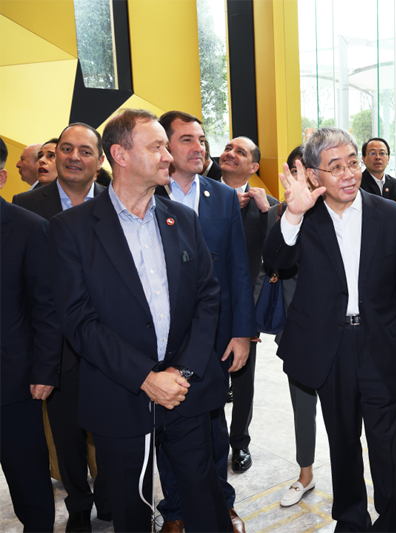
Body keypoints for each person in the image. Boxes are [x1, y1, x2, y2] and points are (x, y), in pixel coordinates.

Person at [48, 108, 232, 533]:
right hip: (119, 395)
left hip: (186, 390)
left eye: (167, 147)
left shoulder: (182, 219)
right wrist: (146, 377)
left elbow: (208, 298)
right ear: (121, 155)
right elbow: (79, 321)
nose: (168, 155)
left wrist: (181, 372)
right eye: (157, 147)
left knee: (205, 500)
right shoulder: (71, 229)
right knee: (131, 511)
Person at [263, 127, 396, 532]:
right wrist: (293, 214)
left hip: (382, 344)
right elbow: (276, 260)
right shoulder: (303, 215)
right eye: (335, 167)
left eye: (352, 162)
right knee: (343, 440)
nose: (349, 173)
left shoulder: (391, 215)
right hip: (329, 348)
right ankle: (351, 520)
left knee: (388, 442)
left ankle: (391, 522)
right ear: (313, 175)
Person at [155, 110, 254, 533]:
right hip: (164, 335)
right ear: (164, 146)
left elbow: (238, 268)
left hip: (215, 333)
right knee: (168, 421)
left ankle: (220, 501)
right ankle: (175, 509)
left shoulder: (223, 196)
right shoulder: (147, 194)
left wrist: (243, 332)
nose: (199, 148)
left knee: (213, 423)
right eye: (187, 140)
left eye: (201, 139)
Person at [13, 124, 112, 532]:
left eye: (85, 151)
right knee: (66, 440)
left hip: (111, 343)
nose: (73, 157)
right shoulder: (26, 205)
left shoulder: (119, 199)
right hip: (57, 347)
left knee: (112, 432)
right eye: (65, 149)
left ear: (100, 160)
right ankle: (79, 506)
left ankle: (110, 497)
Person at [0, 136, 60, 533]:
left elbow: (46, 306)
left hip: (13, 381)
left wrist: (44, 370)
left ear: (1, 177)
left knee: (28, 480)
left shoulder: (29, 228)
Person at [219, 135, 278, 473]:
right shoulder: (199, 196)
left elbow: (277, 255)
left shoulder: (266, 204)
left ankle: (239, 443)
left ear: (253, 166)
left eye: (240, 152)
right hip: (205, 307)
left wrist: (267, 212)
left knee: (243, 382)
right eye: (228, 148)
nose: (230, 153)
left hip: (246, 308)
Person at [265, 146, 320, 507]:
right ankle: (305, 473)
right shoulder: (279, 214)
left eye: (308, 170)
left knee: (347, 412)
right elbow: (271, 264)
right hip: (297, 330)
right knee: (302, 406)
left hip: (340, 329)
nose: (302, 178)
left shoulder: (341, 210)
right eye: (295, 171)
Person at [359, 137, 396, 203]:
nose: (378, 157)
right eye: (372, 153)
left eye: (382, 153)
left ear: (388, 159)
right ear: (363, 159)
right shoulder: (357, 184)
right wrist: (394, 208)